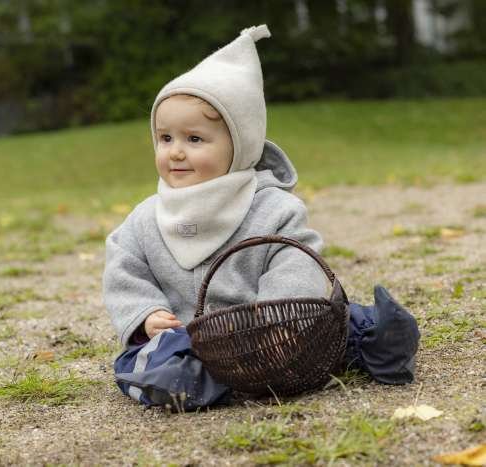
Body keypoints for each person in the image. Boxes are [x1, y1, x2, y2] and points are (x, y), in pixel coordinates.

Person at [103, 25, 419, 409]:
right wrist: (146, 312)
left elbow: (297, 261)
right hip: (195, 337)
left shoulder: (273, 208)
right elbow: (125, 268)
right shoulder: (145, 218)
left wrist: (274, 323)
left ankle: (379, 341)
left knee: (338, 321)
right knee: (148, 358)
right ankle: (184, 381)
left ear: (241, 146)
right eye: (165, 138)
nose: (176, 152)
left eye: (195, 139)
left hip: (270, 331)